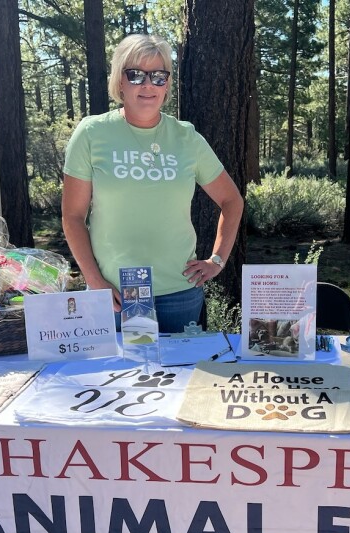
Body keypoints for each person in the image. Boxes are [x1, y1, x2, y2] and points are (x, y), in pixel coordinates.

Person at [61, 34, 244, 334]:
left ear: (168, 85)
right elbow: (73, 217)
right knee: (118, 381)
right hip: (116, 295)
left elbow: (232, 200)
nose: (148, 85)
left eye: (159, 76)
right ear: (120, 81)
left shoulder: (187, 138)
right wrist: (94, 281)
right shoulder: (91, 134)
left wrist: (217, 260)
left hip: (179, 294)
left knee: (184, 380)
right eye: (136, 75)